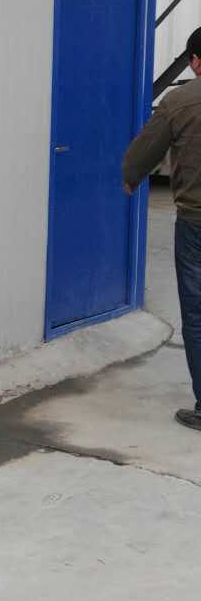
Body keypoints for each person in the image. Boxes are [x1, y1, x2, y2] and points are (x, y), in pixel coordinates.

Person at [123, 26, 201, 431]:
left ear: (195, 61)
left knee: (198, 311)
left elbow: (141, 153)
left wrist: (131, 177)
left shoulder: (179, 100)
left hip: (196, 223)